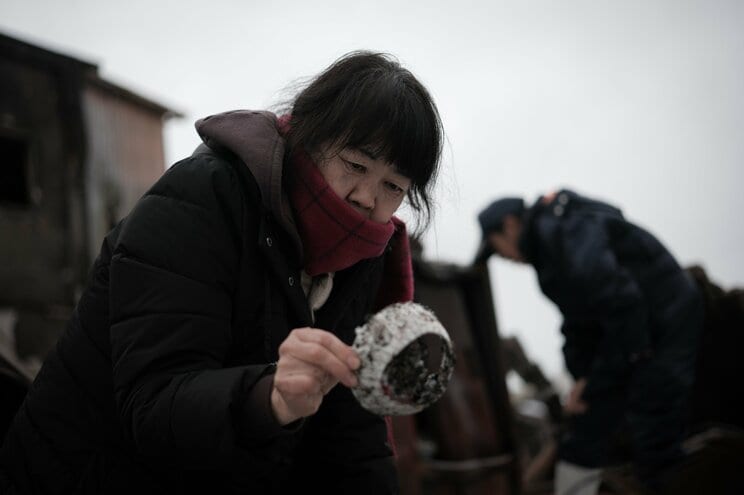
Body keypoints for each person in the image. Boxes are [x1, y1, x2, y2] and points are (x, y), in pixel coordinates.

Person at [0, 51, 443, 494]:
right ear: (310, 137)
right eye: (355, 165)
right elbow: (153, 406)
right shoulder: (201, 200)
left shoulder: (358, 258)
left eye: (393, 186)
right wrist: (269, 396)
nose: (367, 198)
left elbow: (350, 436)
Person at [475, 189, 703, 493]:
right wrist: (583, 376)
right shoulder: (547, 255)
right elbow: (577, 322)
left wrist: (614, 371)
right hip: (630, 330)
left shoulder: (563, 231)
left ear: (510, 225)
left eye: (495, 247)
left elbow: (617, 298)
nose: (501, 257)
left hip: (665, 316)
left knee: (653, 422)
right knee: (585, 424)